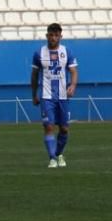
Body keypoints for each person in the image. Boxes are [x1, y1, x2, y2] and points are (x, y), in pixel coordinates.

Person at [31, 23, 78, 168]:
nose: (53, 37)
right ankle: (52, 158)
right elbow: (34, 75)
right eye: (51, 35)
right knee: (49, 127)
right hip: (46, 97)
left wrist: (73, 85)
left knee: (64, 128)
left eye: (56, 35)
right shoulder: (39, 53)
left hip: (63, 97)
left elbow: (74, 71)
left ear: (60, 36)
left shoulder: (67, 52)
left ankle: (59, 154)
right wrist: (34, 94)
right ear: (47, 35)